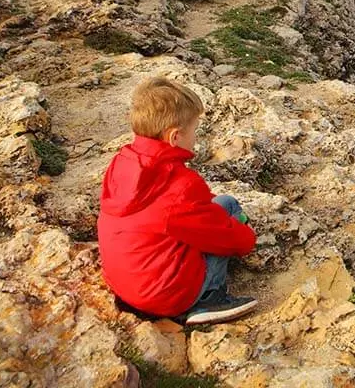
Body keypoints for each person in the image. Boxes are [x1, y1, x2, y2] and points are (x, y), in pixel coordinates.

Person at [97, 76, 258, 324]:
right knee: (228, 219)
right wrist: (247, 239)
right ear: (174, 137)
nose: (197, 136)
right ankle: (209, 299)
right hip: (166, 296)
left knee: (223, 203)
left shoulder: (122, 165)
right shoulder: (181, 185)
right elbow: (218, 233)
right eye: (194, 129)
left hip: (127, 286)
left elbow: (175, 215)